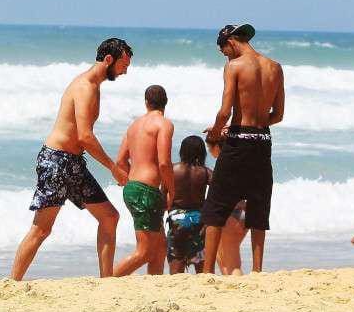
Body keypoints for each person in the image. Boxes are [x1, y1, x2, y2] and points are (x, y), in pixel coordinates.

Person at [10, 38, 133, 280]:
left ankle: (106, 282)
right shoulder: (85, 87)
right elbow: (85, 136)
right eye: (123, 65)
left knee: (109, 217)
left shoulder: (94, 86)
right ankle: (11, 283)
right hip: (57, 162)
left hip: (73, 164)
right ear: (109, 60)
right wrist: (113, 168)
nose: (125, 71)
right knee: (42, 229)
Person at [201, 23, 285, 274]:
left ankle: (206, 272)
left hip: (239, 141)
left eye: (223, 50)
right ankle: (257, 271)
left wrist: (218, 130)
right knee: (259, 204)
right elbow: (278, 115)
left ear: (230, 42)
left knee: (216, 204)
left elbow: (225, 110)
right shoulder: (275, 67)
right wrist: (254, 125)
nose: (225, 55)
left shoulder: (234, 66)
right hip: (263, 141)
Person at [112, 85, 176, 277]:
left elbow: (120, 160)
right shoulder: (164, 124)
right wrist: (172, 191)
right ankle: (106, 282)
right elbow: (164, 163)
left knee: (160, 246)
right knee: (145, 250)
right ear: (166, 102)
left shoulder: (133, 126)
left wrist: (130, 179)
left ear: (146, 103)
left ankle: (153, 285)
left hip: (133, 188)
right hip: (146, 191)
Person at [166, 135, 212, 274]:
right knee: (201, 269)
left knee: (176, 268)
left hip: (177, 220)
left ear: (182, 151)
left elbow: (163, 195)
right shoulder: (206, 172)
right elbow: (218, 193)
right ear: (202, 152)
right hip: (199, 219)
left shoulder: (172, 170)